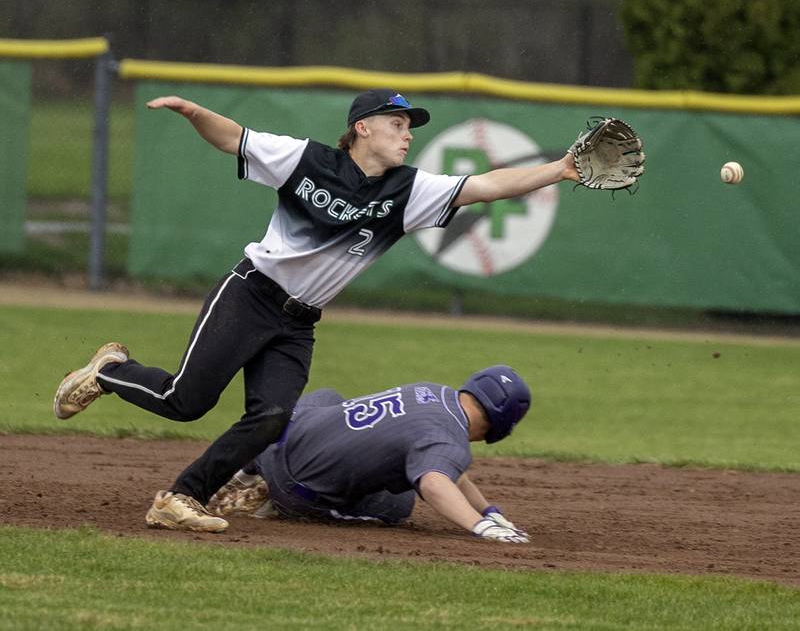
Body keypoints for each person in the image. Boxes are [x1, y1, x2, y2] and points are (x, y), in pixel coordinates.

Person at [53, 88, 580, 533]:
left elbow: (485, 187)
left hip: (299, 321)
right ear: (362, 128)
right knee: (184, 400)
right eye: (397, 123)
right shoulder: (307, 161)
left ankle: (181, 497)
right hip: (251, 293)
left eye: (409, 126)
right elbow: (235, 138)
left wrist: (558, 170)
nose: (407, 133)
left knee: (272, 417)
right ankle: (111, 372)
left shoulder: (408, 190)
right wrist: (194, 114)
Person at [209, 365, 532, 543]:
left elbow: (450, 467)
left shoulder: (432, 390)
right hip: (298, 491)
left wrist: (488, 509)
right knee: (401, 503)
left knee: (327, 397)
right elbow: (436, 482)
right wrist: (481, 526)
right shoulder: (448, 440)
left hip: (277, 443)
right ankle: (274, 503)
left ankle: (248, 470)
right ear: (502, 422)